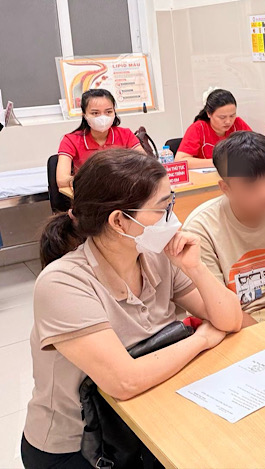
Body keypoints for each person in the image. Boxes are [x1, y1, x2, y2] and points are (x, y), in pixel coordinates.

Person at [22, 149, 244, 467]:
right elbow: (124, 381)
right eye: (162, 208)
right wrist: (202, 339)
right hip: (81, 446)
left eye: (171, 203)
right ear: (118, 221)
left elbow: (231, 319)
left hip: (147, 419)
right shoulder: (62, 283)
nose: (173, 218)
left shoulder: (157, 255)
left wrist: (195, 268)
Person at [183, 131, 265, 325]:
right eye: (250, 186)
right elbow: (216, 310)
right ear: (226, 188)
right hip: (233, 322)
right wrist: (264, 336)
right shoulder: (201, 229)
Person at [56, 89, 145, 189]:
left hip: (123, 192)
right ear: (84, 115)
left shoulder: (126, 134)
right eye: (95, 113)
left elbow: (145, 165)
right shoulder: (70, 140)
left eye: (108, 112)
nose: (103, 117)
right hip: (89, 193)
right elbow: (62, 180)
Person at [175, 89, 253, 169]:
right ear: (209, 113)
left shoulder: (238, 124)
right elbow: (179, 161)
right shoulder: (198, 128)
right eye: (222, 117)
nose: (228, 121)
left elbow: (257, 148)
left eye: (232, 116)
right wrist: (218, 162)